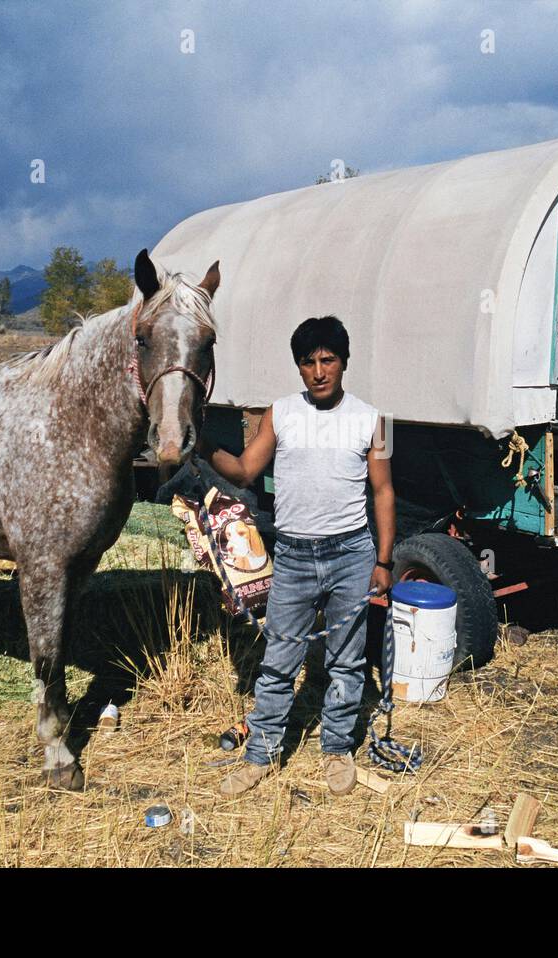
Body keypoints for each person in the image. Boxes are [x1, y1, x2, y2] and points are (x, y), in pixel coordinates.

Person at [197, 315, 395, 797]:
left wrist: (383, 561)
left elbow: (384, 491)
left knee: (347, 662)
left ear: (344, 362)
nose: (319, 371)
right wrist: (199, 445)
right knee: (280, 659)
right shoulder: (280, 413)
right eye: (308, 362)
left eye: (328, 359)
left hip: (351, 554)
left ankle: (336, 749)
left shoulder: (375, 419)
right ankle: (260, 755)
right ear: (299, 368)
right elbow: (244, 470)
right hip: (295, 556)